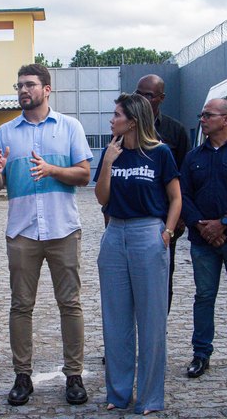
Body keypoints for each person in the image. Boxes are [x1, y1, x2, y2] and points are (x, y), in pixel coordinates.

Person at [0, 63, 93, 406]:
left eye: (29, 85)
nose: (22, 91)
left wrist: (52, 170)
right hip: (22, 232)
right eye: (19, 86)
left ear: (47, 89)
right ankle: (22, 376)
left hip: (63, 230)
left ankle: (73, 375)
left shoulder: (70, 126)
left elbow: (85, 174)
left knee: (70, 304)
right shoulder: (5, 132)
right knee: (21, 306)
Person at [93, 93, 181, 415]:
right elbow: (102, 198)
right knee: (115, 320)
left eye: (116, 115)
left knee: (151, 320)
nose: (111, 120)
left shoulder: (160, 154)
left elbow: (175, 198)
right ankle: (117, 394)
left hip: (149, 234)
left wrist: (167, 233)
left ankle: (149, 398)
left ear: (132, 120)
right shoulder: (110, 153)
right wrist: (107, 163)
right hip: (115, 233)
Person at [180, 97, 227, 380]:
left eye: (208, 115)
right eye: (202, 114)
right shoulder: (193, 157)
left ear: (226, 119)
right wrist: (202, 227)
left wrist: (224, 223)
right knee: (204, 296)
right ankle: (201, 353)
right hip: (203, 242)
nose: (202, 119)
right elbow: (183, 195)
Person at [134, 74, 189, 314]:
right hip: (131, 218)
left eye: (148, 95)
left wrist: (177, 221)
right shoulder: (126, 127)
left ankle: (157, 339)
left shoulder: (174, 131)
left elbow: (184, 178)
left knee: (162, 280)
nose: (142, 100)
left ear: (161, 98)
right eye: (138, 93)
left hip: (163, 222)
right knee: (128, 282)